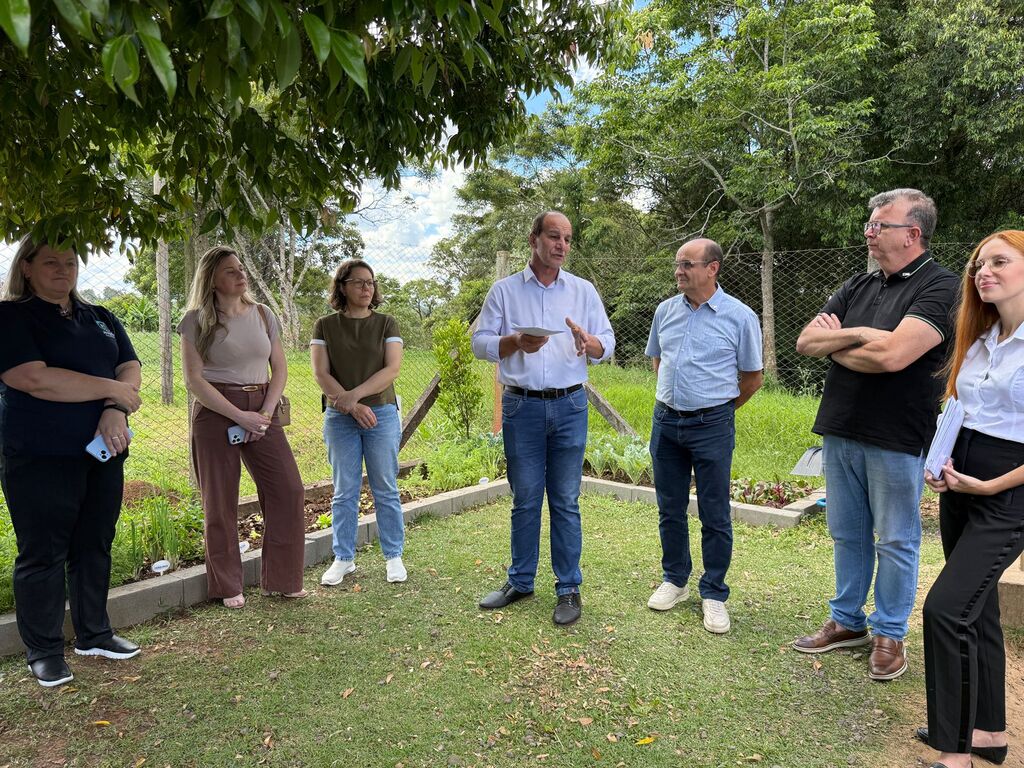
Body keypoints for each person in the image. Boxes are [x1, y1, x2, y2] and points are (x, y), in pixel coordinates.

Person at [792, 188, 958, 680]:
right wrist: (863, 334)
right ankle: (847, 622)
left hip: (896, 436)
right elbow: (805, 341)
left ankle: (889, 633)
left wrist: (839, 341)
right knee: (847, 534)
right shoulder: (859, 285)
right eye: (869, 223)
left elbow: (895, 357)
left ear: (913, 233)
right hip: (840, 428)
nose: (869, 231)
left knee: (897, 540)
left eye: (879, 225)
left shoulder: (941, 287)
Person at [0, 236, 143, 687]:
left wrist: (114, 407)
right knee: (42, 553)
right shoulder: (11, 316)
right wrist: (110, 389)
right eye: (50, 262)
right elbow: (33, 378)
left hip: (103, 452)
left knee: (94, 543)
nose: (63, 270)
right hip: (39, 456)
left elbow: (129, 369)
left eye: (70, 262)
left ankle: (94, 633)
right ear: (26, 267)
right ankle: (43, 650)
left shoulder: (99, 317)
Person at [471, 210, 615, 626]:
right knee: (526, 498)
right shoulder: (504, 291)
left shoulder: (583, 291)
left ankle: (568, 587)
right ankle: (520, 580)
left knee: (566, 500)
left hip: (570, 405)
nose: (562, 246)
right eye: (554, 236)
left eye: (568, 239)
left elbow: (607, 342)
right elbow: (480, 343)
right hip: (522, 405)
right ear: (533, 239)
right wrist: (514, 342)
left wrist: (591, 344)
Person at [916, 231, 1024, 768]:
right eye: (980, 264)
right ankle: (986, 733)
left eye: (1000, 261)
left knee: (946, 609)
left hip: (1006, 494)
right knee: (977, 612)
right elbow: (959, 414)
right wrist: (940, 466)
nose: (985, 271)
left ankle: (952, 752)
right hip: (962, 485)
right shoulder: (980, 340)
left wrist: (993, 485)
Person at [645, 239, 763, 634]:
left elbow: (752, 378)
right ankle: (675, 580)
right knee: (669, 508)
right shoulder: (664, 311)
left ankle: (713, 593)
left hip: (712, 424)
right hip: (666, 422)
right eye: (677, 263)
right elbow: (658, 359)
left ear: (712, 268)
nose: (679, 270)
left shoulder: (740, 317)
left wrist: (718, 411)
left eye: (687, 264)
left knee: (715, 513)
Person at [179, 245, 306, 609]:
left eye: (240, 269)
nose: (240, 274)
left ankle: (282, 580)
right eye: (230, 271)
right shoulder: (195, 320)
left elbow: (279, 368)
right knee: (219, 501)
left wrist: (263, 414)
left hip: (262, 406)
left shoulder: (264, 315)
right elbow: (194, 380)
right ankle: (226, 585)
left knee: (288, 490)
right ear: (212, 280)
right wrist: (239, 416)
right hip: (216, 409)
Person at [311, 259, 406, 586]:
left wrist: (356, 397)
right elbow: (321, 373)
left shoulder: (386, 324)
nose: (367, 288)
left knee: (385, 487)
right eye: (359, 282)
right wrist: (350, 407)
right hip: (340, 417)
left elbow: (391, 370)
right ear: (342, 286)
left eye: (370, 282)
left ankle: (394, 556)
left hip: (381, 413)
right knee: (344, 490)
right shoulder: (324, 326)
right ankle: (344, 558)